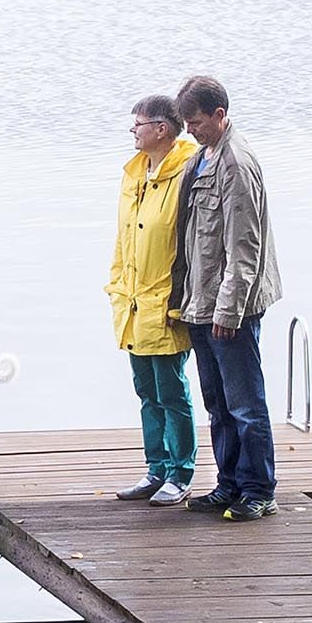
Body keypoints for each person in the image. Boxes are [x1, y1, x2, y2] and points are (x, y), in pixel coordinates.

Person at [175, 70, 280, 519]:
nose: (190, 131)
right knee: (217, 403)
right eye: (186, 124)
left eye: (196, 122)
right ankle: (229, 484)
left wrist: (229, 311)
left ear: (219, 114)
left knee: (245, 405)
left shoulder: (236, 164)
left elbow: (245, 246)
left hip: (229, 308)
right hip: (201, 303)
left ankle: (259, 490)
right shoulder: (203, 157)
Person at [105, 90, 200, 506]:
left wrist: (183, 300)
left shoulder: (188, 171)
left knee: (171, 392)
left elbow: (194, 245)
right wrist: (116, 285)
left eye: (138, 124)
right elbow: (123, 240)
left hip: (167, 304)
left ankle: (181, 473)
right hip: (132, 302)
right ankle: (156, 468)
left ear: (162, 129)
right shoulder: (133, 174)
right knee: (146, 391)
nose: (133, 131)